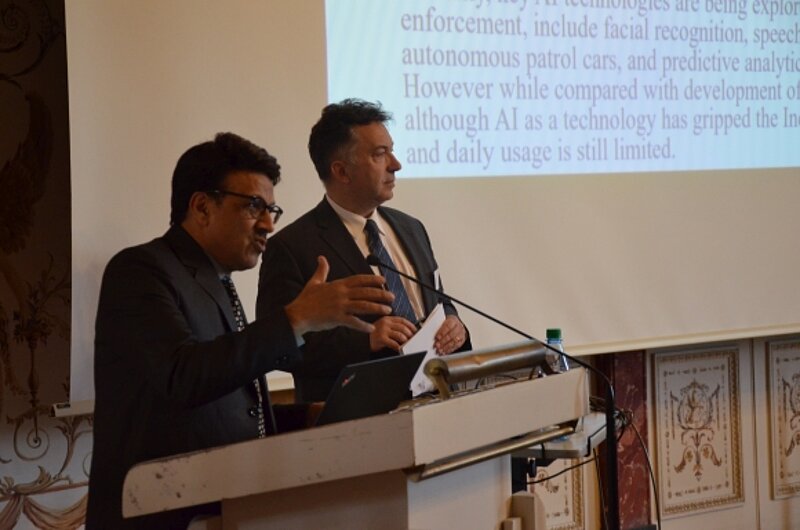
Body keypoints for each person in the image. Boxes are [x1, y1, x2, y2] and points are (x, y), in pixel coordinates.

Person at [86, 132, 393, 529]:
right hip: (159, 516)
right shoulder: (140, 271)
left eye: (272, 209)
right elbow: (182, 378)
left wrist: (308, 416)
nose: (268, 224)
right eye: (253, 207)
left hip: (220, 508)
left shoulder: (217, 281)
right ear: (202, 207)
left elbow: (224, 407)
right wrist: (296, 319)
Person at [256, 99, 470, 403]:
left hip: (437, 401)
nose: (396, 164)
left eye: (391, 151)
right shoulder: (292, 247)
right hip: (359, 415)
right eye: (380, 154)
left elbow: (438, 299)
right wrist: (365, 341)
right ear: (342, 171)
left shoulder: (411, 228)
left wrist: (453, 323)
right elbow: (278, 349)